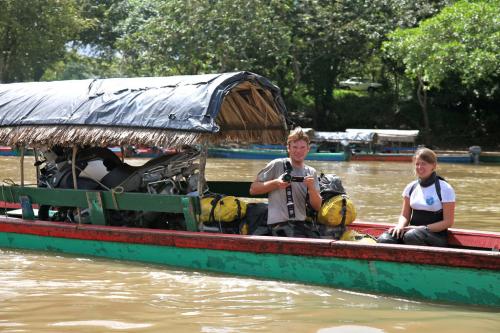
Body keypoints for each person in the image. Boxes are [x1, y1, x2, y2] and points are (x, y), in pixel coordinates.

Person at [249, 127, 322, 237]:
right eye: (295, 147)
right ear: (288, 148)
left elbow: (317, 206)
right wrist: (276, 183)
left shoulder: (311, 172)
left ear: (308, 149)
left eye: (302, 147)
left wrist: (311, 188)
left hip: (300, 225)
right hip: (277, 226)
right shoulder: (277, 164)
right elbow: (253, 189)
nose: (298, 151)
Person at [377, 147, 455, 247]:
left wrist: (422, 228)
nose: (419, 167)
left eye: (423, 164)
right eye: (417, 164)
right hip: (412, 232)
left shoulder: (445, 188)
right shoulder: (411, 187)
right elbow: (405, 215)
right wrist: (400, 226)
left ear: (433, 166)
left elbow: (448, 222)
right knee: (385, 239)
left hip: (436, 236)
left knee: (412, 236)